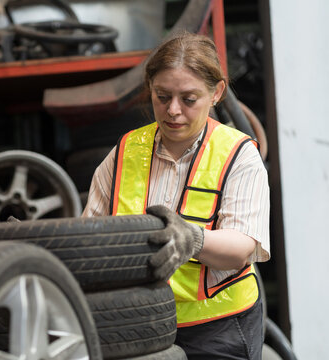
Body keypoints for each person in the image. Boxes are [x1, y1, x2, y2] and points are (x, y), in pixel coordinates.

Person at [82, 31, 270, 359]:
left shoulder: (238, 154)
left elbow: (243, 247)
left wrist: (194, 239)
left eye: (188, 98)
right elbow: (92, 235)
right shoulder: (125, 152)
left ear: (216, 94)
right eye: (162, 95)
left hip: (219, 327)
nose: (172, 110)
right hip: (140, 321)